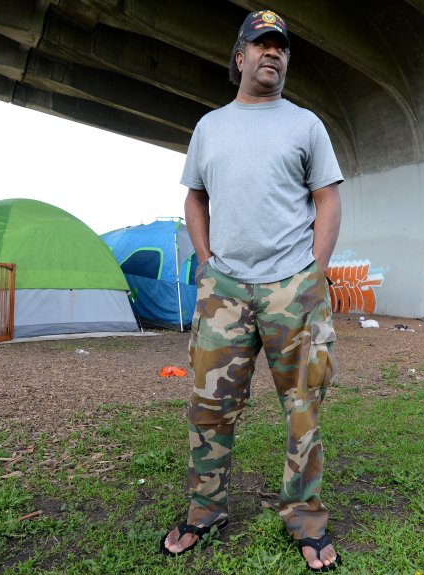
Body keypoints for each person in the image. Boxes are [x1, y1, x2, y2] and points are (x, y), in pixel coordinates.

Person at [160, 10, 343, 572]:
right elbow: (195, 196)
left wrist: (315, 269)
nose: (272, 54)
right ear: (238, 57)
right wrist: (207, 261)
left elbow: (328, 198)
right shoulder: (210, 127)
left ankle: (305, 519)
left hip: (295, 288)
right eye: (260, 45)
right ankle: (205, 510)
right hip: (225, 290)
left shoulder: (306, 124)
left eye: (280, 47)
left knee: (304, 406)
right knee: (210, 406)